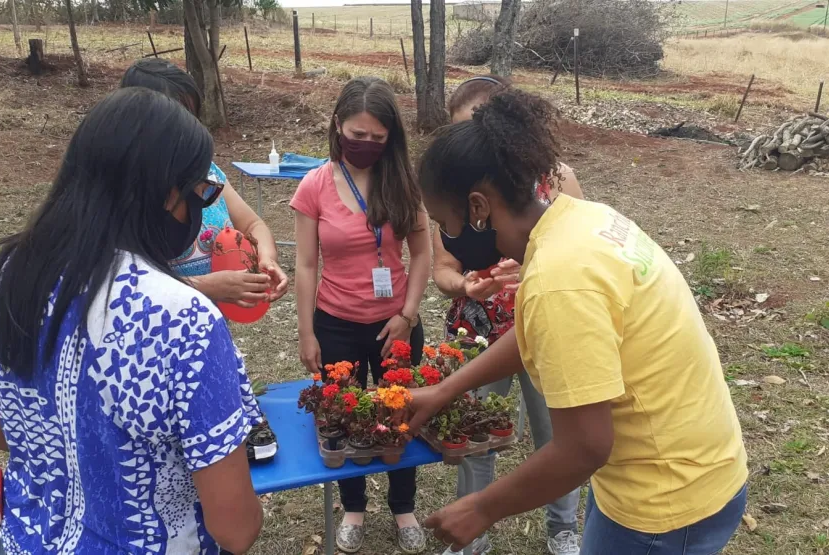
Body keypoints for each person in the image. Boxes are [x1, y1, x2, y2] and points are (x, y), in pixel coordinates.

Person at [409, 89, 748, 555]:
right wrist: (445, 390)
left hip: (664, 504)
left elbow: (583, 448)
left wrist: (481, 508)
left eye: (444, 221)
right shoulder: (583, 221)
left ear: (478, 208)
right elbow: (532, 334)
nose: (446, 237)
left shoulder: (559, 278)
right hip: (700, 468)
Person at [0, 87, 264, 554]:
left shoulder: (6, 272)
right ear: (168, 194)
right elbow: (236, 528)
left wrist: (74, 460)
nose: (202, 208)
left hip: (26, 539)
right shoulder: (184, 318)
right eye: (201, 194)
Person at [434, 76, 584, 555]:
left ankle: (562, 526)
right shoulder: (454, 190)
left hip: (548, 326)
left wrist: (534, 266)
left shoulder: (558, 180)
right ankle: (472, 529)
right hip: (479, 331)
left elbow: (575, 257)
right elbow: (443, 268)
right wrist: (465, 285)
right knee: (475, 431)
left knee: (555, 432)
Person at [291, 77, 432, 554]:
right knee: (342, 421)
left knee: (400, 418)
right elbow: (307, 263)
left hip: (395, 324)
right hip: (335, 323)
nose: (366, 145)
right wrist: (307, 331)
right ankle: (354, 507)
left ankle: (403, 507)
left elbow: (422, 255)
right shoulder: (314, 184)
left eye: (378, 137)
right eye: (358, 134)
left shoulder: (402, 183)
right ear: (337, 125)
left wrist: (408, 317)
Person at [121, 58, 288, 306]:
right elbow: (118, 284)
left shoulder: (207, 173)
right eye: (174, 117)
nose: (186, 126)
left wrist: (266, 256)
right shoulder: (120, 190)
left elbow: (253, 224)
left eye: (190, 114)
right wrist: (204, 287)